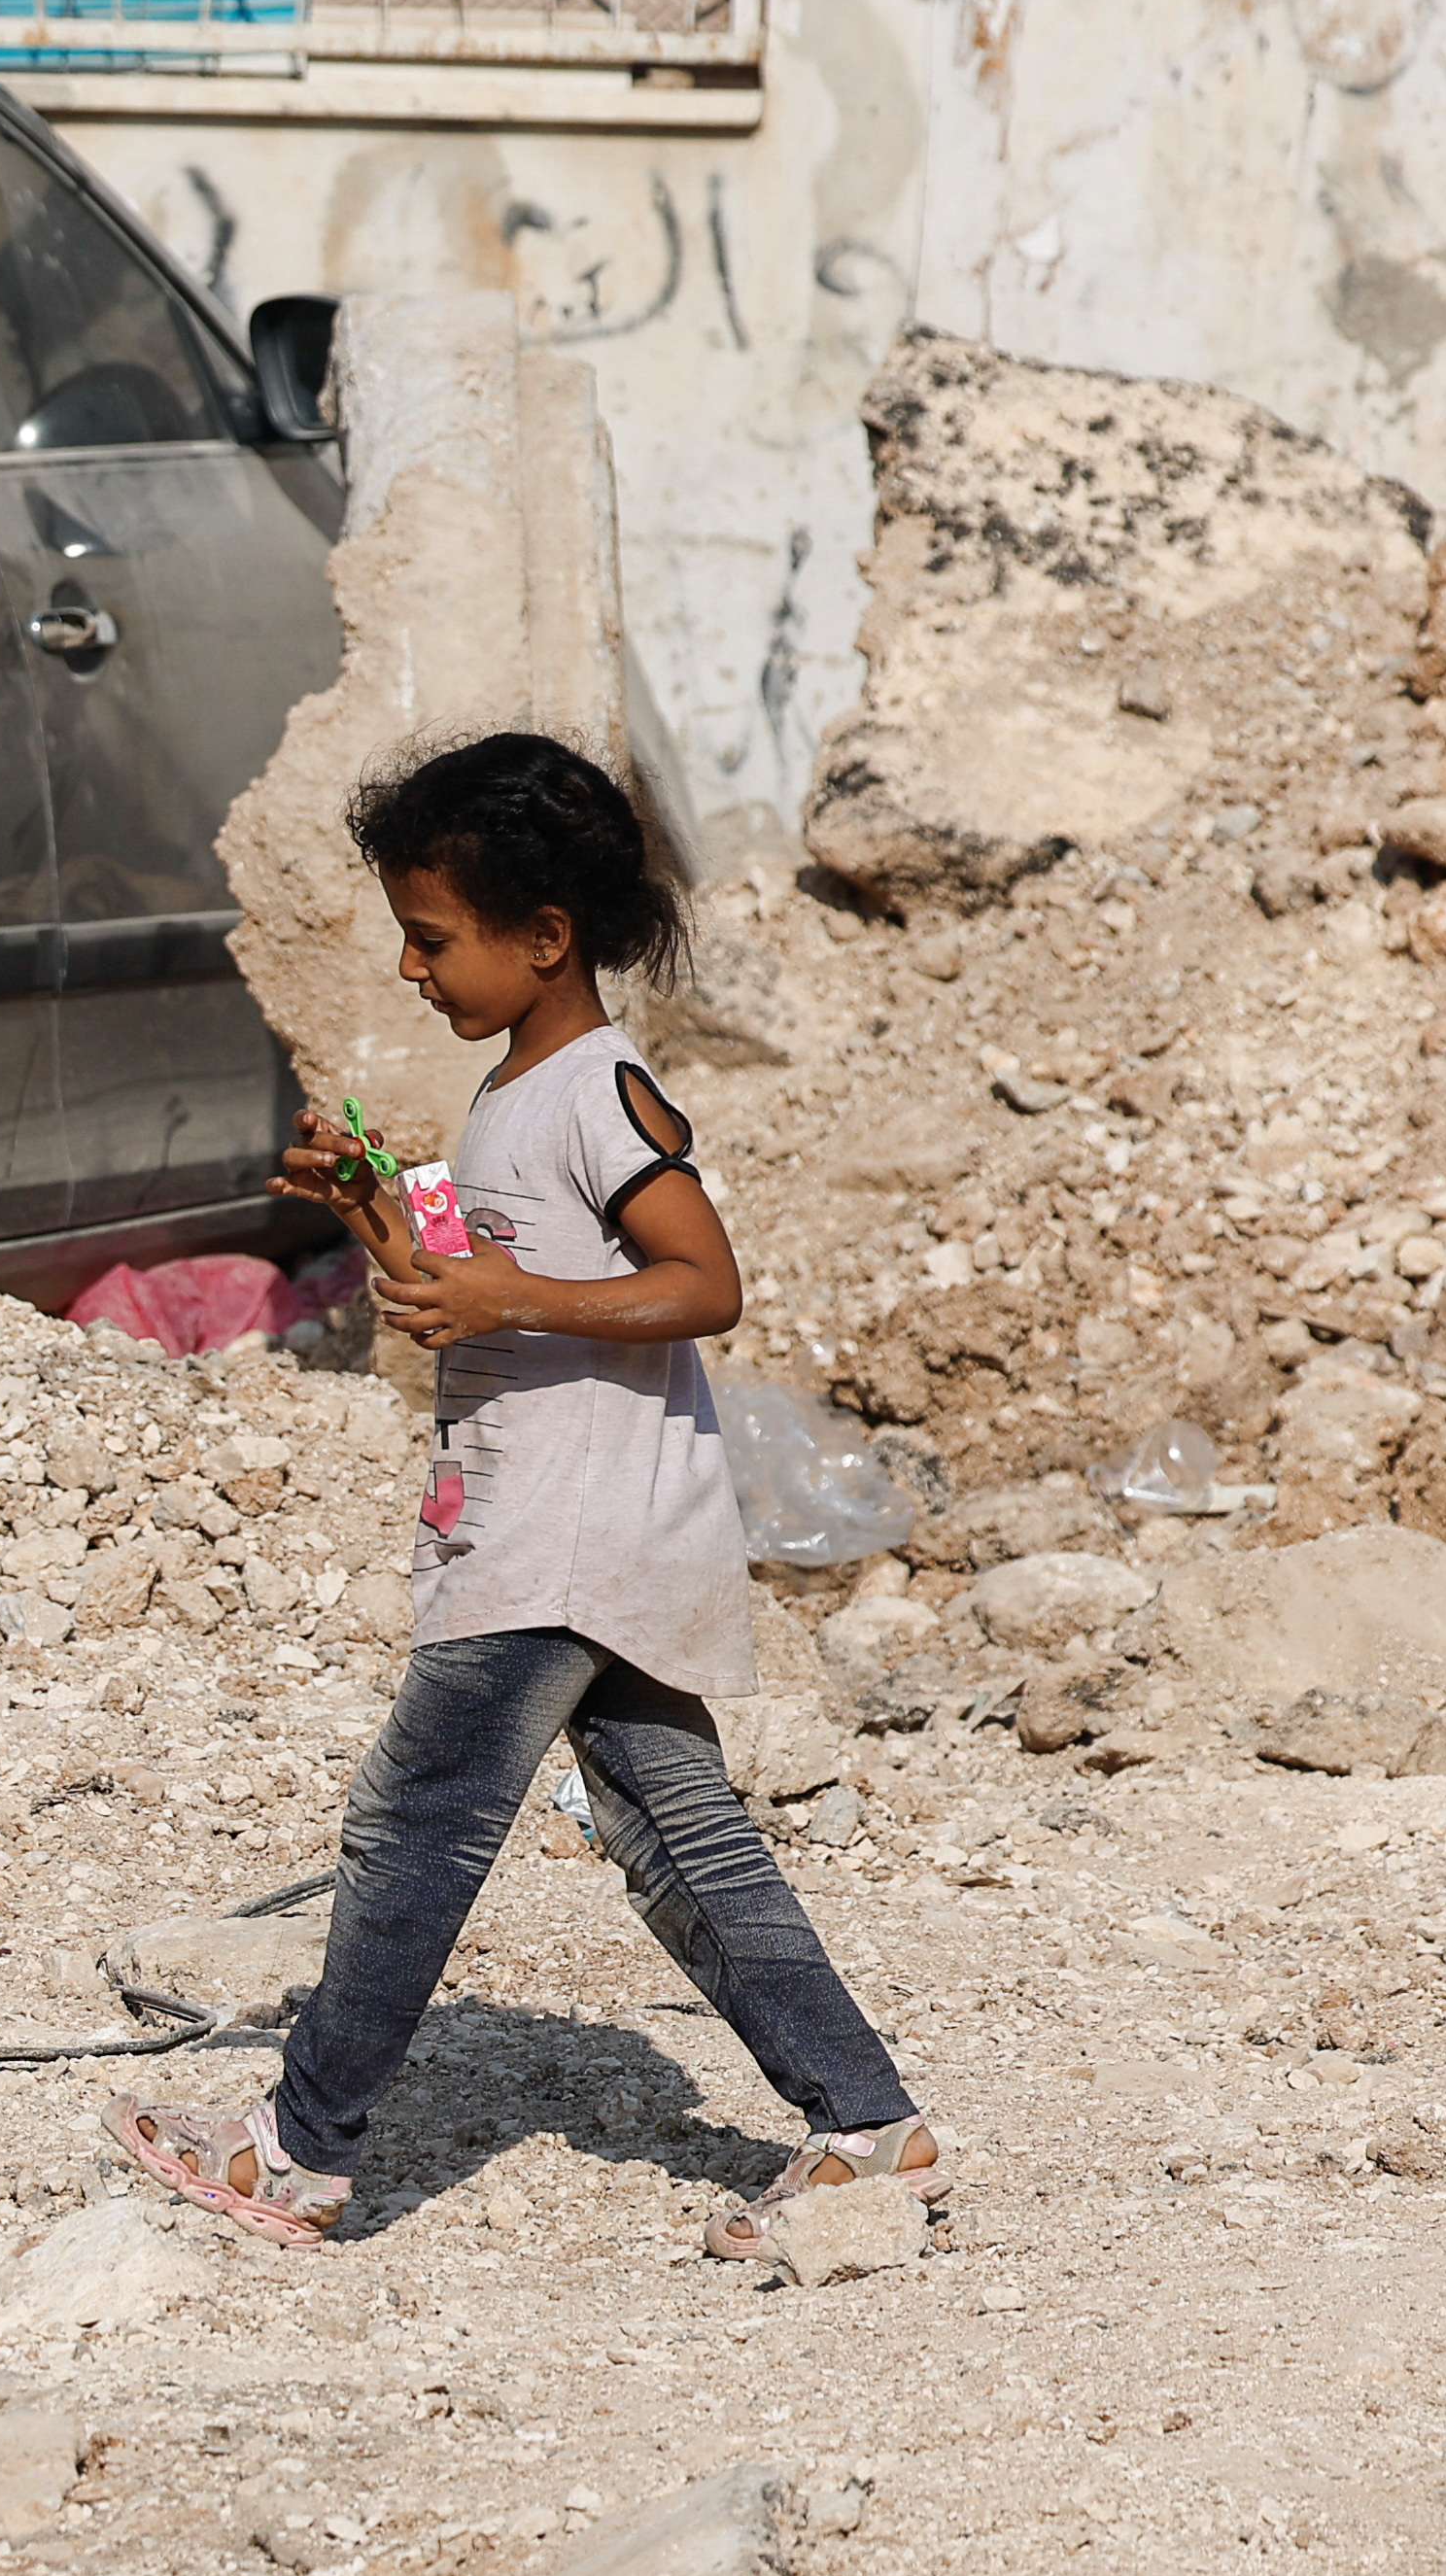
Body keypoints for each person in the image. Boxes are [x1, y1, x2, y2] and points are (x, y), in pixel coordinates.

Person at [104, 731, 937, 2259]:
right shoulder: (514, 1096)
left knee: (416, 1818)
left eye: (431, 938)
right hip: (573, 1526)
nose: (412, 970)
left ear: (544, 936)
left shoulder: (598, 1095)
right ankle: (868, 2125)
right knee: (680, 1835)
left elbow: (704, 1284)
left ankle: (301, 2149)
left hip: (561, 1534)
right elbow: (453, 1296)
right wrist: (365, 1201)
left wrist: (516, 1298)